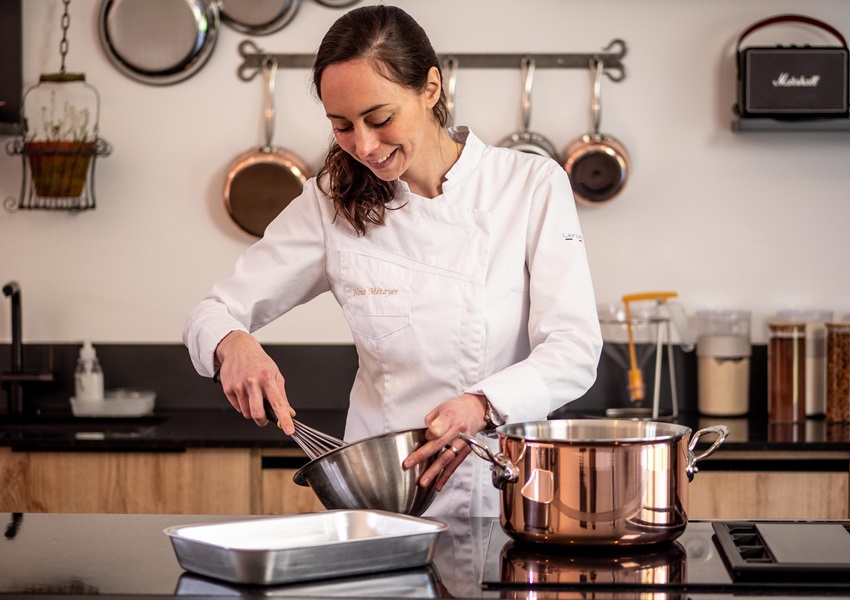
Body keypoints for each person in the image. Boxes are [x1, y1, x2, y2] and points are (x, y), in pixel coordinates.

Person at [183, 4, 602, 518]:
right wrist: (234, 344)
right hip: (381, 504)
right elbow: (212, 311)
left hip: (507, 495)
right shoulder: (330, 203)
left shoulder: (531, 186)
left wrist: (480, 405)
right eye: (342, 126)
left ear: (430, 88)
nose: (363, 146)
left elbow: (573, 349)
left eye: (380, 119)